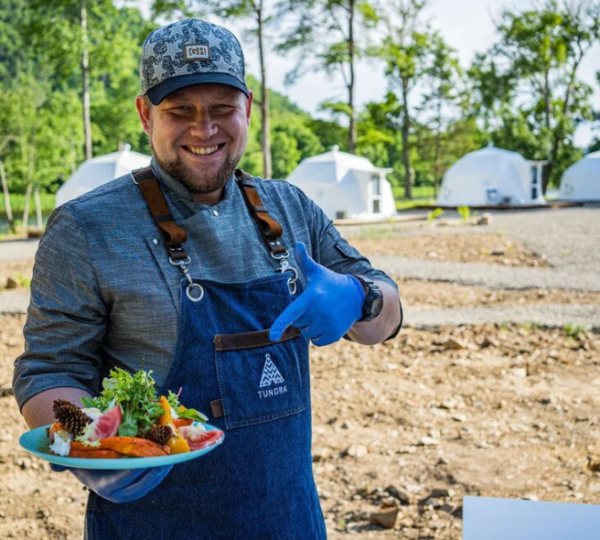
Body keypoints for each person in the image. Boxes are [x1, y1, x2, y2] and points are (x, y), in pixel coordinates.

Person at [13, 18, 402, 540]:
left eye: (222, 108)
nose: (205, 129)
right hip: (153, 523)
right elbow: (47, 371)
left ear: (247, 108)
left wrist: (362, 298)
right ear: (145, 114)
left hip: (287, 519)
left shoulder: (291, 210)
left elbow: (388, 316)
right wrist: (94, 446)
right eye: (181, 111)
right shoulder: (87, 228)